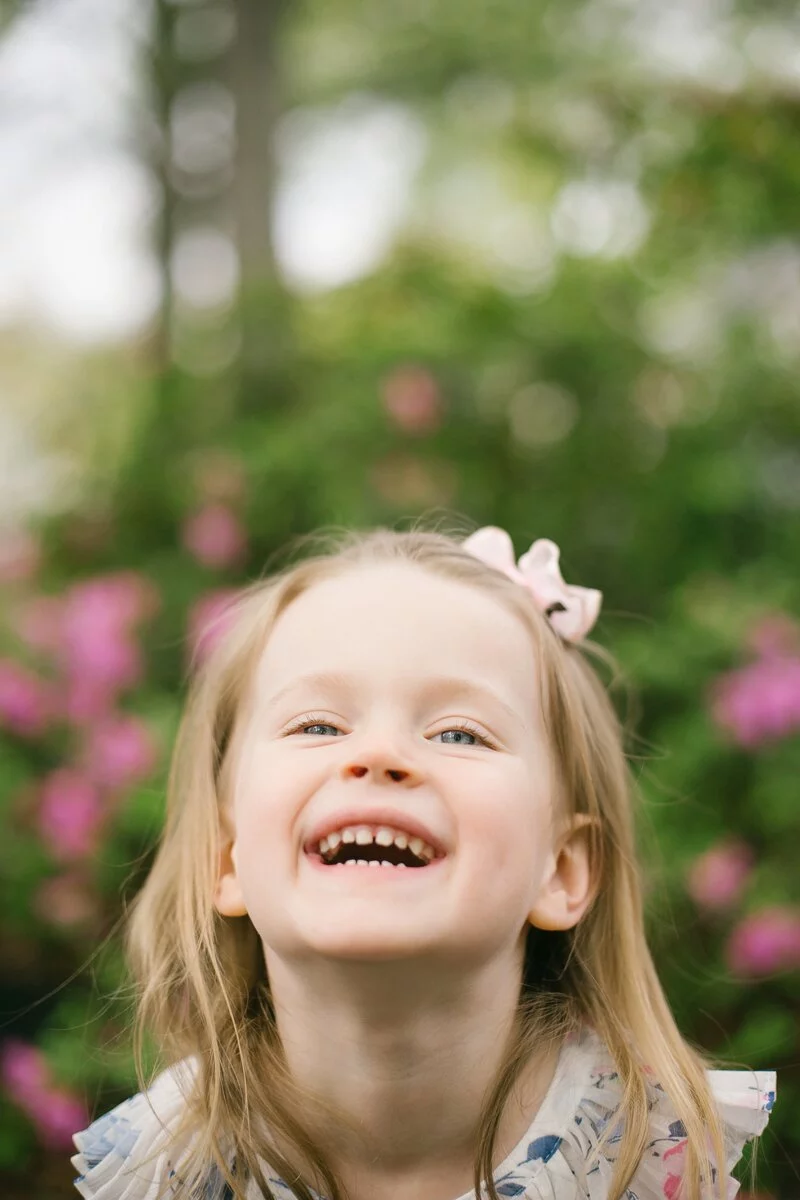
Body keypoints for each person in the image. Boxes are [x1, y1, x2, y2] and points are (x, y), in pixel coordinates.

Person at [71, 524, 776, 1200]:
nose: (377, 754)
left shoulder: (642, 1159)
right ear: (223, 859)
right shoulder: (166, 1170)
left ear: (561, 870)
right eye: (318, 725)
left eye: (460, 733)